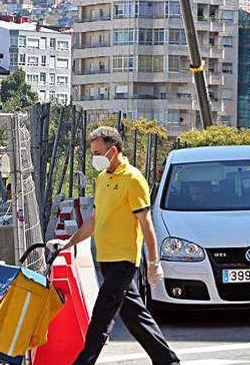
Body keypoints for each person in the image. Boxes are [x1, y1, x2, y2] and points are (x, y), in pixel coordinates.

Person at [51, 126, 179, 365]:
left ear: (112, 150)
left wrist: (153, 263)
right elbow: (94, 220)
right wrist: (69, 243)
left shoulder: (133, 179)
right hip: (106, 259)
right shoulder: (102, 179)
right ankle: (167, 360)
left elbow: (146, 224)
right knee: (134, 316)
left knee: (101, 316)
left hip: (125, 259)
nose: (94, 158)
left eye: (98, 152)